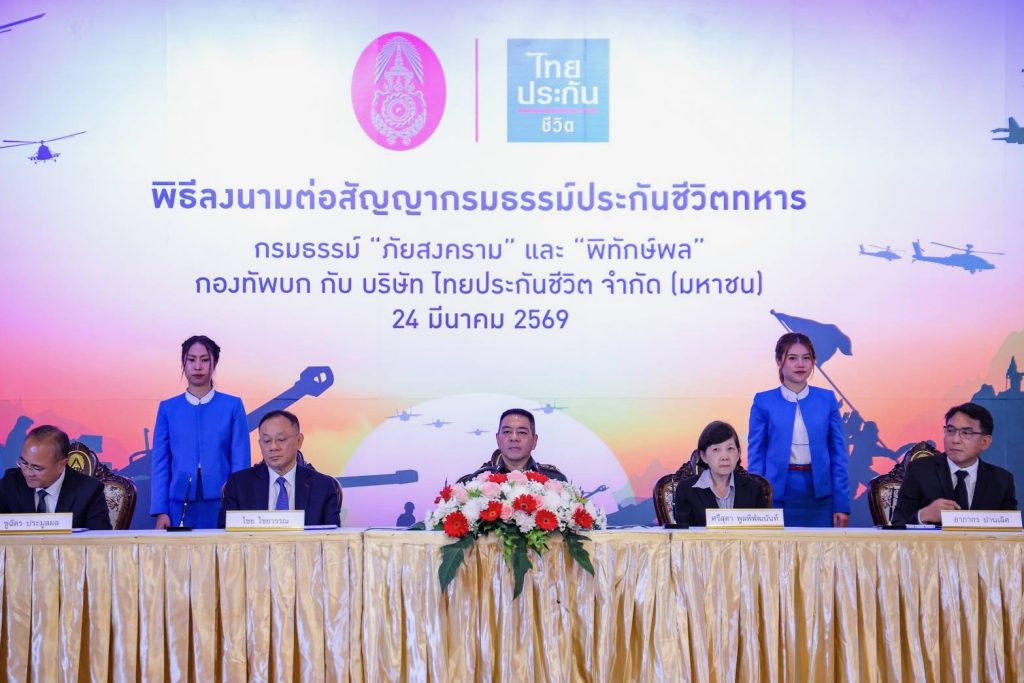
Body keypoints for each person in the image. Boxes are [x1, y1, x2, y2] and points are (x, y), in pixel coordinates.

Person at [748, 332, 850, 527]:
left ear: (813, 362)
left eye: (806, 358)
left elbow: (838, 455)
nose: (800, 364)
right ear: (779, 361)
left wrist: (842, 504)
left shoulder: (827, 399)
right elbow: (756, 456)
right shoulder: (763, 401)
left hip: (821, 496)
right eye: (792, 358)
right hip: (777, 495)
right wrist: (756, 502)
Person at [151, 335, 250, 529]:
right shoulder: (168, 409)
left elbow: (240, 460)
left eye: (205, 360)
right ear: (183, 362)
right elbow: (160, 463)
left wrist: (237, 506)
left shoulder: (232, 406)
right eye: (191, 360)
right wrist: (161, 511)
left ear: (215, 363)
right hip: (177, 504)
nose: (198, 367)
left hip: (223, 503)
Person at [892, 403, 1018, 525]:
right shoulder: (920, 471)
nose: (955, 440)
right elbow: (898, 524)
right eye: (950, 430)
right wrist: (923, 515)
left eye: (966, 433)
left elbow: (1012, 531)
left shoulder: (1001, 480)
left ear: (985, 442)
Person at [219, 410, 341, 527]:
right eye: (267, 441)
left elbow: (334, 537)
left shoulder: (323, 486)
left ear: (299, 441)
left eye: (281, 440)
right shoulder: (239, 484)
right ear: (260, 444)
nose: (273, 447)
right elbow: (224, 534)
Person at [0, 425, 111, 530]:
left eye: (37, 468)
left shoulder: (89, 491)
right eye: (24, 463)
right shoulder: (11, 482)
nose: (28, 473)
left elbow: (100, 539)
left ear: (61, 465)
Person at [672, 421, 769, 526]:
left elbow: (762, 532)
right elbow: (684, 534)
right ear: (703, 456)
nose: (725, 457)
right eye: (716, 449)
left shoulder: (754, 489)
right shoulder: (686, 489)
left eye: (730, 449)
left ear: (738, 454)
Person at [456, 408, 567, 484]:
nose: (514, 438)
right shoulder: (477, 480)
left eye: (522, 432)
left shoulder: (554, 480)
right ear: (497, 439)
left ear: (534, 441)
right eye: (507, 432)